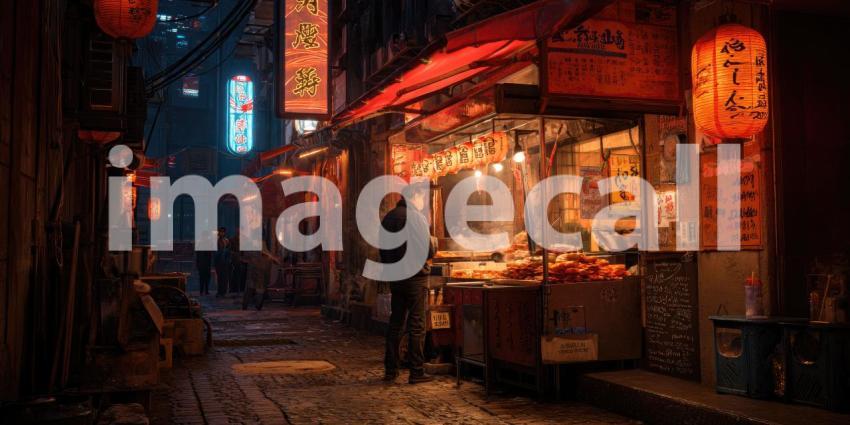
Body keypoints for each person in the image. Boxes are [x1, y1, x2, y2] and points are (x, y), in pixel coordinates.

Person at [381, 195, 437, 384]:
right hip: (415, 278)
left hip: (396, 276)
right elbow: (428, 250)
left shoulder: (388, 218)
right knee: (417, 323)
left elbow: (382, 249)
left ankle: (391, 369)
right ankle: (416, 371)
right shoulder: (416, 218)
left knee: (396, 322)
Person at [214, 227, 232, 297]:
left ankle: (223, 291)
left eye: (222, 232)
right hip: (219, 261)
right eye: (220, 232)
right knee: (220, 277)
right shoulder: (217, 240)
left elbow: (229, 250)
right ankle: (220, 291)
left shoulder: (226, 240)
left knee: (224, 277)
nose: (221, 233)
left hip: (224, 261)